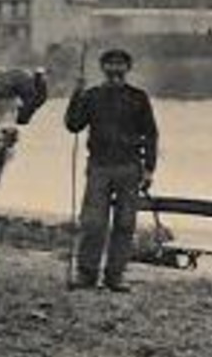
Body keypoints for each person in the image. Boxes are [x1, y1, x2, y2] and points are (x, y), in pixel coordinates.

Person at [65, 47, 159, 292]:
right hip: (99, 166)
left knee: (125, 223)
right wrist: (76, 94)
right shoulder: (91, 96)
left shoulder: (139, 97)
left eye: (120, 65)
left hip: (130, 167)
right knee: (93, 223)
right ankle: (86, 275)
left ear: (128, 69)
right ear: (103, 68)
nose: (116, 69)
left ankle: (115, 276)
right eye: (110, 64)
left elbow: (150, 135)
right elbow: (73, 125)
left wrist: (149, 169)